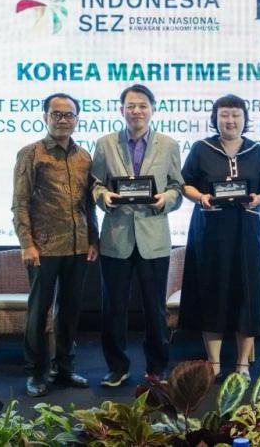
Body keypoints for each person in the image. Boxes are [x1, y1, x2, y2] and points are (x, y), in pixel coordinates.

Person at [91, 83, 184, 387]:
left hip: (153, 239)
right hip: (116, 238)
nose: (136, 111)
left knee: (155, 309)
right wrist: (102, 196)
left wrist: (166, 200)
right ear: (121, 110)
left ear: (152, 109)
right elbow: (95, 183)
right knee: (113, 308)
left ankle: (157, 368)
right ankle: (117, 367)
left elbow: (177, 187)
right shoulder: (105, 144)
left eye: (142, 105)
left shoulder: (168, 145)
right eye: (131, 106)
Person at [11, 93, 99, 398]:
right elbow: (20, 204)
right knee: (39, 312)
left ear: (77, 119)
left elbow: (89, 204)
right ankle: (36, 373)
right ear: (45, 117)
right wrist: (27, 244)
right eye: (57, 114)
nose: (63, 120)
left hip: (78, 246)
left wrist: (94, 239)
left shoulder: (84, 157)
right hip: (43, 248)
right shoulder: (31, 153)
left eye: (69, 115)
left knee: (70, 311)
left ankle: (64, 367)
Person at [178, 94, 260, 381]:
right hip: (210, 233)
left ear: (245, 118)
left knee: (247, 294)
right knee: (212, 292)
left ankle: (243, 364)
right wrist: (201, 197)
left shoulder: (257, 151)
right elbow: (184, 184)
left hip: (246, 232)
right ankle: (214, 363)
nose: (230, 120)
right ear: (215, 119)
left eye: (235, 115)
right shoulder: (201, 148)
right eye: (224, 115)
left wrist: (259, 199)